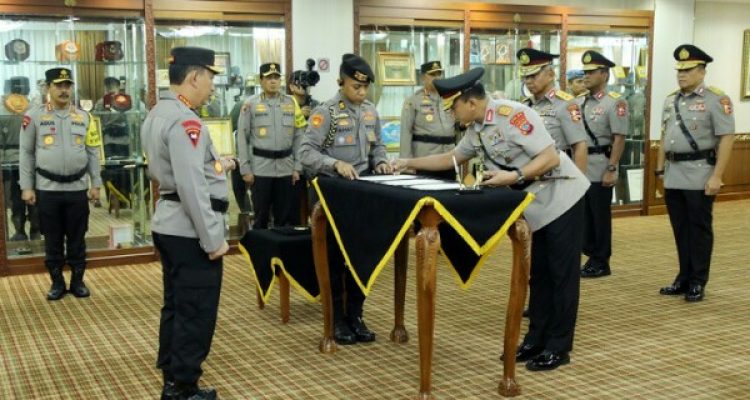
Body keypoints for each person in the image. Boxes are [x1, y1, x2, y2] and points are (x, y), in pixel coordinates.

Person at [393, 67, 589, 371]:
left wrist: (514, 175)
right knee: (538, 274)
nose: (450, 114)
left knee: (562, 275)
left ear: (471, 103)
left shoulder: (513, 115)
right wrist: (407, 162)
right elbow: (450, 159)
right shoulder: (476, 129)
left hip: (562, 196)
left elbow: (550, 157)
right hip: (535, 202)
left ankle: (559, 346)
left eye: (453, 107)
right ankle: (536, 339)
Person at [141, 46, 231, 400]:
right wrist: (213, 240)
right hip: (189, 230)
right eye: (209, 78)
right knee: (195, 308)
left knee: (176, 303)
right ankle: (184, 387)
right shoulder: (187, 121)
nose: (211, 87)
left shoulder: (160, 112)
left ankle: (171, 371)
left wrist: (220, 163)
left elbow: (180, 169)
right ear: (194, 76)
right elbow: (192, 187)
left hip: (169, 222)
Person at [298, 53, 392, 345]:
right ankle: (337, 319)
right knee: (336, 258)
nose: (361, 93)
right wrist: (333, 164)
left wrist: (381, 161)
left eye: (365, 88)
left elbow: (379, 146)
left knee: (360, 257)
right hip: (332, 192)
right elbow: (304, 153)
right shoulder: (325, 112)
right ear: (342, 81)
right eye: (355, 87)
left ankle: (356, 314)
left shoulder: (370, 112)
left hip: (363, 191)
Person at [656, 44, 736, 302]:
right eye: (679, 70)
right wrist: (659, 171)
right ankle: (683, 276)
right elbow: (663, 136)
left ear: (702, 71)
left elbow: (726, 138)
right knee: (680, 229)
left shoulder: (716, 100)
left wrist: (717, 176)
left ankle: (698, 281)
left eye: (688, 70)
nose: (681, 75)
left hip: (701, 173)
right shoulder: (671, 100)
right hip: (673, 173)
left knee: (698, 229)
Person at [19, 67, 102, 300]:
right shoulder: (33, 116)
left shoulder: (84, 117)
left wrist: (96, 183)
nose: (64, 90)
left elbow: (93, 151)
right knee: (53, 239)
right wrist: (26, 186)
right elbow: (26, 153)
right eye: (58, 85)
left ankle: (77, 281)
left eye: (67, 85)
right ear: (48, 88)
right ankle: (57, 282)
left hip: (77, 189)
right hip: (47, 189)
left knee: (78, 238)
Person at [237, 62, 307, 229]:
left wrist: (298, 167)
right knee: (261, 217)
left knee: (285, 218)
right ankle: (261, 254)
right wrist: (245, 169)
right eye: (269, 78)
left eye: (276, 77)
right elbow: (242, 137)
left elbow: (299, 136)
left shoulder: (291, 103)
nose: (273, 81)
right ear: (261, 81)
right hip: (261, 169)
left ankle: (281, 254)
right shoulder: (250, 104)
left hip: (286, 169)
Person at [579, 50, 629, 278]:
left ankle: (602, 260)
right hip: (581, 166)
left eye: (592, 72)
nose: (586, 76)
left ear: (605, 74)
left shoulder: (614, 103)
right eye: (585, 72)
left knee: (599, 216)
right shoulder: (580, 102)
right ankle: (591, 255)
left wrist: (612, 168)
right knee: (585, 216)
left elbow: (619, 138)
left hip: (600, 164)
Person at [517, 49, 588, 173]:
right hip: (530, 175)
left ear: (550, 74)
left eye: (533, 75)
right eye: (525, 76)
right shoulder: (526, 105)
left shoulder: (566, 104)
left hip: (557, 175)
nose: (528, 81)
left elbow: (580, 146)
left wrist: (578, 184)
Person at [399, 60, 457, 179]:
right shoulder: (413, 100)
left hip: (448, 158)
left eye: (439, 74)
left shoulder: (450, 98)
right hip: (425, 159)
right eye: (432, 75)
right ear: (423, 77)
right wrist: (407, 163)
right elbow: (406, 132)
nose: (437, 78)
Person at [2, 76, 40, 241]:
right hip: (34, 158)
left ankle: (19, 231)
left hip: (9, 159)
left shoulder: (2, 108)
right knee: (35, 194)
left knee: (16, 197)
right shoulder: (35, 107)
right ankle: (36, 230)